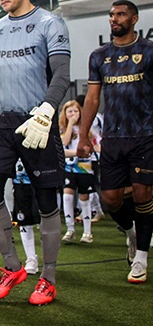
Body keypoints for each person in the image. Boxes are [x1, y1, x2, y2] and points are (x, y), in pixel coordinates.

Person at [0, 0, 71, 306]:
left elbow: (61, 74)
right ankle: (12, 267)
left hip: (37, 123)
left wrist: (46, 111)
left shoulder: (49, 23)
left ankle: (49, 277)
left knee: (45, 201)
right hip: (3, 126)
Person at [77, 0, 153, 284]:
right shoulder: (99, 56)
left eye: (120, 15)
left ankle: (141, 258)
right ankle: (131, 232)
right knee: (110, 199)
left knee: (144, 193)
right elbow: (93, 98)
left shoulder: (148, 51)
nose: (114, 19)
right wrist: (84, 135)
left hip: (145, 135)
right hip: (113, 138)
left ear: (134, 19)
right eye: (111, 15)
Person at [59, 100, 98, 244]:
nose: (73, 114)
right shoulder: (62, 128)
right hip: (68, 167)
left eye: (75, 111)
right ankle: (70, 229)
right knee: (67, 196)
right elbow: (64, 142)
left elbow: (96, 143)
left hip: (84, 167)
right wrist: (70, 124)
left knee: (84, 197)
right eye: (70, 111)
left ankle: (87, 232)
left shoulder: (86, 129)